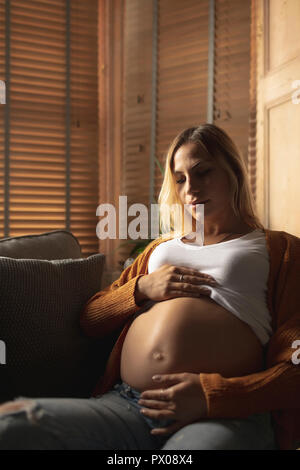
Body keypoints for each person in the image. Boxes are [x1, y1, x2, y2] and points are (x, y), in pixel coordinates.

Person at [0, 124, 299, 450]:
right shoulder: (159, 249)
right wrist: (141, 288)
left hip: (220, 415)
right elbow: (91, 318)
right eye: (181, 178)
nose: (190, 190)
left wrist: (213, 396)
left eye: (203, 172)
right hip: (128, 405)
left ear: (233, 172)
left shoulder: (280, 251)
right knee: (12, 426)